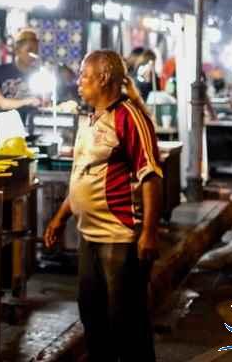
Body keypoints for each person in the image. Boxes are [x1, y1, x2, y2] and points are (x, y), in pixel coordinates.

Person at [44, 50, 162, 361]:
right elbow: (83, 176)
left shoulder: (130, 117)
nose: (78, 82)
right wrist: (59, 218)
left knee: (127, 322)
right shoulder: (91, 119)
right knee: (92, 316)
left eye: (84, 75)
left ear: (104, 77)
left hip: (119, 237)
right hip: (89, 236)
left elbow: (151, 176)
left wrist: (149, 232)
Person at [0, 28, 40, 121]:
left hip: (31, 126)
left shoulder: (38, 74)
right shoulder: (1, 71)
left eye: (36, 51)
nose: (33, 55)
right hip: (5, 126)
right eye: (29, 50)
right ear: (17, 50)